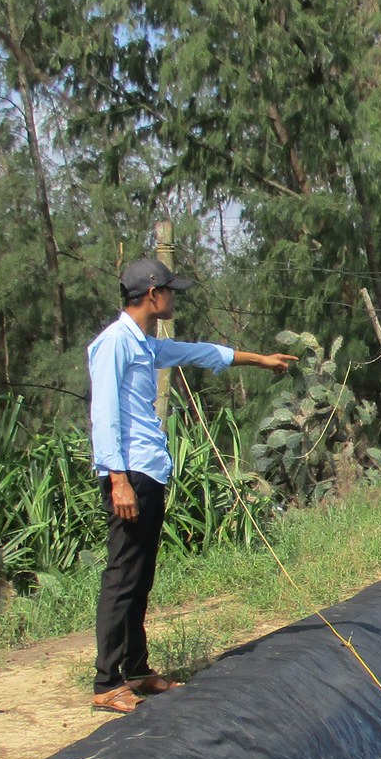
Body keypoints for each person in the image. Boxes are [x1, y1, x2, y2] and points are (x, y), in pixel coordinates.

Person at [88, 257, 297, 712]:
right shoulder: (114, 344)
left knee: (141, 575)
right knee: (122, 575)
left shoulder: (145, 344)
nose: (173, 299)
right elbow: (104, 413)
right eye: (170, 292)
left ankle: (137, 670)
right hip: (129, 474)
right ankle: (107, 682)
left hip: (149, 470)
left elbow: (199, 352)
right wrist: (118, 479)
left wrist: (258, 359)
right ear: (151, 295)